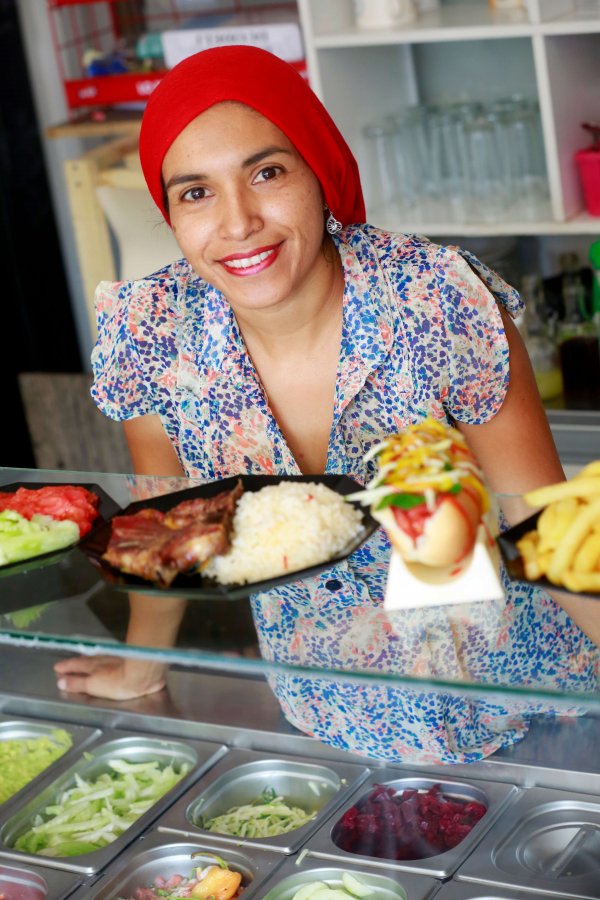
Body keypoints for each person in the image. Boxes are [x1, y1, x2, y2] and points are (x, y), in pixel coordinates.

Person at [55, 46, 599, 762]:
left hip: (518, 706)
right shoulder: (149, 328)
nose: (239, 221)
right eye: (196, 193)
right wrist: (141, 667)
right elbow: (166, 526)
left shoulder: (437, 296)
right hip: (326, 713)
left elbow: (541, 518)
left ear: (319, 171)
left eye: (267, 172)